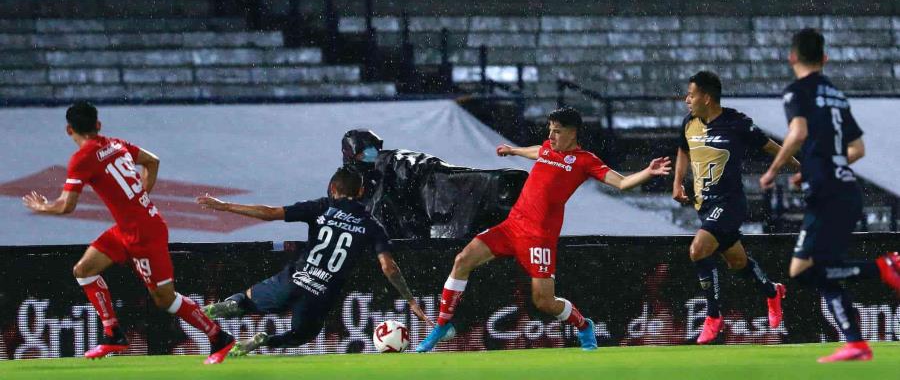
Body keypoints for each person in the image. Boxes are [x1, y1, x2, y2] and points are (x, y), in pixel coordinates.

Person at [415, 107, 672, 352]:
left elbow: (623, 183)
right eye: (550, 129)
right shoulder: (549, 147)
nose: (551, 136)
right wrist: (513, 150)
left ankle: (583, 325)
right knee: (463, 260)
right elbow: (538, 151)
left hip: (539, 239)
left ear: (573, 132)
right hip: (512, 226)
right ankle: (441, 325)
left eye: (557, 131)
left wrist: (648, 172)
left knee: (544, 302)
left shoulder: (585, 161)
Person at [22, 101, 234, 364]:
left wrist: (41, 207)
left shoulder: (82, 158)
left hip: (144, 234)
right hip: (128, 228)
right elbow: (152, 161)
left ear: (69, 130)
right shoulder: (116, 143)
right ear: (98, 125)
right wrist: (142, 195)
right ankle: (113, 334)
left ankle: (218, 337)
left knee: (165, 300)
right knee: (84, 270)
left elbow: (66, 206)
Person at [760, 28, 900, 362]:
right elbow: (857, 149)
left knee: (803, 271)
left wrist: (773, 169)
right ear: (825, 58)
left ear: (792, 57)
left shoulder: (797, 91)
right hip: (843, 189)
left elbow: (798, 132)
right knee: (821, 269)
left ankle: (884, 267)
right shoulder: (836, 94)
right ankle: (855, 341)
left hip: (827, 193)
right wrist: (810, 169)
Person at [196, 167, 431, 355]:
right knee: (300, 336)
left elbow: (270, 213)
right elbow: (389, 268)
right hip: (321, 295)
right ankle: (265, 340)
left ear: (332, 188)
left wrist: (226, 206)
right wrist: (410, 301)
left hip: (295, 278)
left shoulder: (321, 206)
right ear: (360, 192)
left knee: (247, 300)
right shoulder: (371, 225)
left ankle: (233, 304)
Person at [674, 71, 796, 344]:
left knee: (698, 249)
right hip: (703, 204)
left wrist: (801, 168)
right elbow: (683, 150)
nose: (687, 99)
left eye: (691, 94)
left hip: (730, 203)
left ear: (706, 97)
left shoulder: (736, 123)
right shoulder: (688, 123)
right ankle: (772, 291)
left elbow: (769, 147)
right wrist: (677, 183)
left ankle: (713, 315)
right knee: (737, 262)